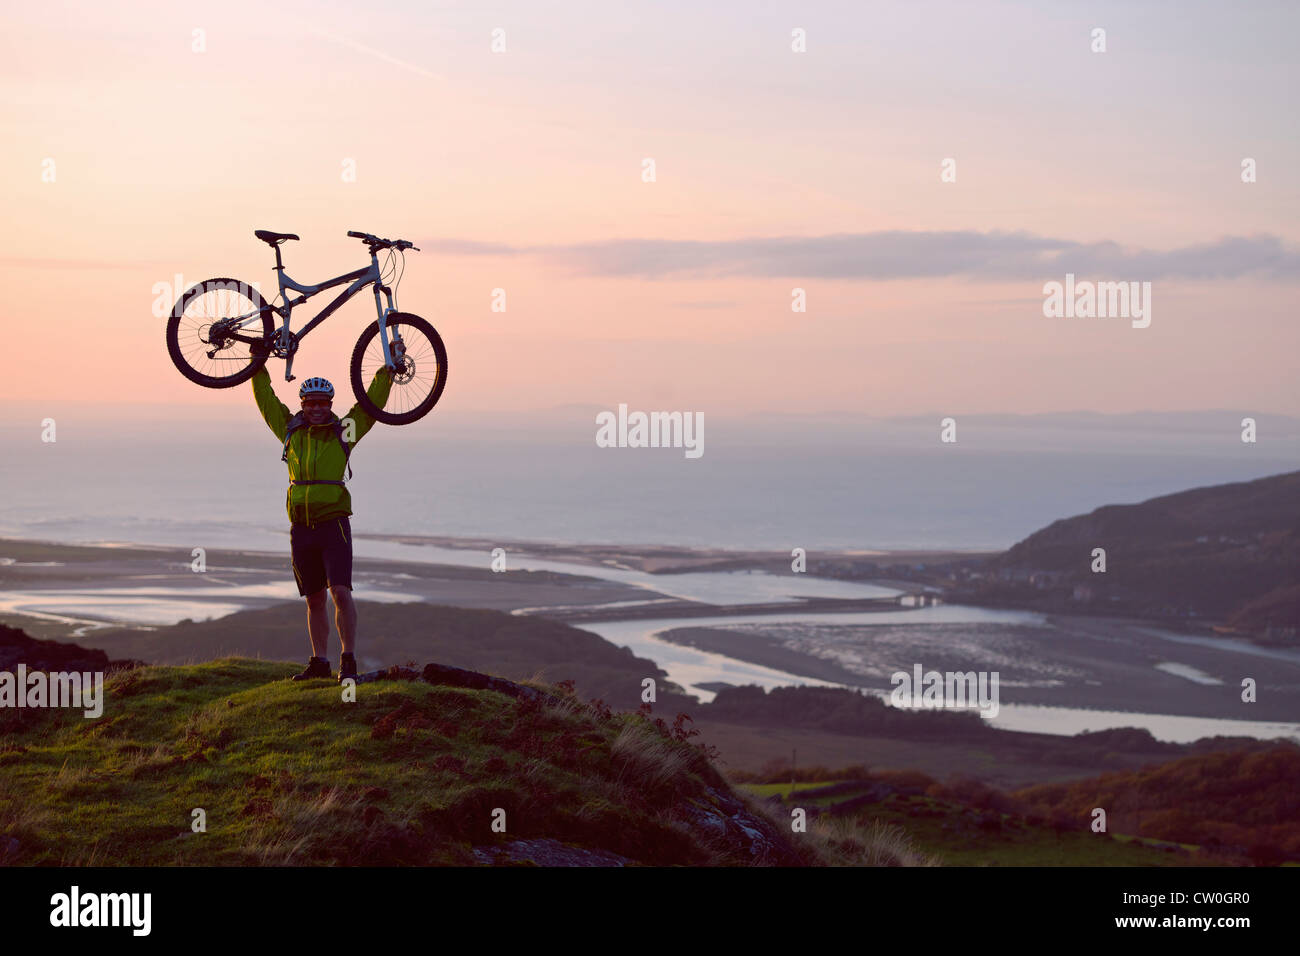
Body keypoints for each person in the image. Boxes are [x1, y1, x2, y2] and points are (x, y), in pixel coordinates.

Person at [250, 344, 392, 683]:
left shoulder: (345, 433)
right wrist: (257, 365)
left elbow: (369, 407)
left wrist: (387, 369)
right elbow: (266, 399)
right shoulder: (290, 431)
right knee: (314, 598)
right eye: (310, 403)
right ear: (303, 405)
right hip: (301, 525)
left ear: (330, 405)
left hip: (334, 524)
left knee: (340, 592)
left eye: (322, 403)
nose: (316, 408)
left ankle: (348, 659)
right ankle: (318, 662)